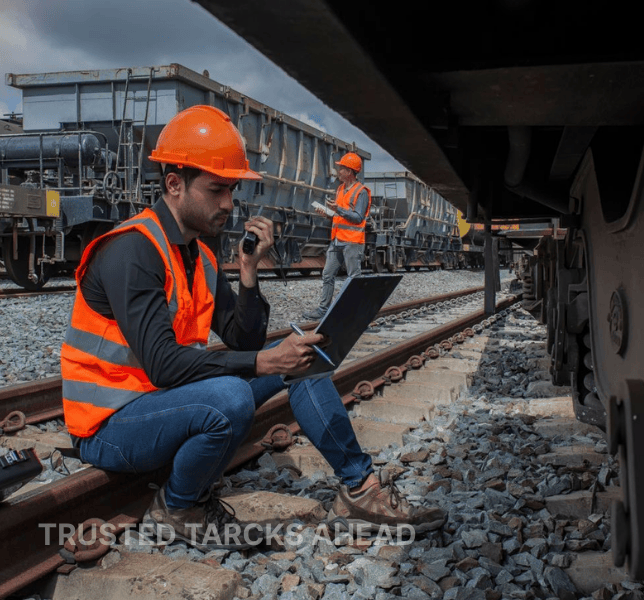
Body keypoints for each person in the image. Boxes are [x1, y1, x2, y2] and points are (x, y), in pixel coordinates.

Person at [60, 105, 445, 550]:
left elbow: (242, 340)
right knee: (232, 398)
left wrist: (248, 271)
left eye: (231, 190)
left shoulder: (197, 255)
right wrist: (263, 362)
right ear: (174, 184)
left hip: (163, 403)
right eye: (216, 189)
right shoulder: (133, 251)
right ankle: (180, 508)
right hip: (108, 425)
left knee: (302, 360)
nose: (228, 203)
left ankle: (361, 489)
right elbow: (165, 365)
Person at [303, 152, 371, 320]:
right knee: (327, 274)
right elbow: (339, 217)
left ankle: (355, 313)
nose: (338, 171)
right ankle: (323, 310)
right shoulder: (340, 189)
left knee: (353, 277)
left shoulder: (361, 192)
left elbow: (358, 217)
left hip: (352, 242)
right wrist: (328, 214)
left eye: (341, 168)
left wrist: (337, 209)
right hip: (337, 240)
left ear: (349, 171)